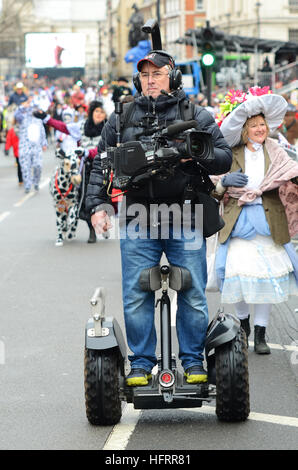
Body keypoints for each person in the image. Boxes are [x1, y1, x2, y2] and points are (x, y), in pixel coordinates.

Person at [85, 50, 232, 386]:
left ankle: (194, 360)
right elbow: (101, 164)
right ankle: (140, 364)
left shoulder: (195, 113)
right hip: (138, 214)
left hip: (185, 212)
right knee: (136, 294)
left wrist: (196, 152)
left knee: (193, 292)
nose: (150, 80)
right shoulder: (121, 117)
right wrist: (97, 206)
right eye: (145, 75)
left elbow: (224, 158)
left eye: (157, 74)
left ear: (173, 76)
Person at [214, 87, 298, 354]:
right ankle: (243, 325)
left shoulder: (276, 149)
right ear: (244, 129)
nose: (260, 129)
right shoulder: (230, 152)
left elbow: (290, 172)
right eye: (254, 125)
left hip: (268, 220)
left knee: (265, 279)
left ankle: (260, 334)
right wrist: (224, 183)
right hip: (236, 222)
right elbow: (212, 184)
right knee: (236, 277)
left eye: (263, 124)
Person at [34, 101, 107, 243]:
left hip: (103, 168)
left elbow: (105, 149)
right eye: (96, 111)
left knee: (101, 199)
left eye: (102, 112)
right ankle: (91, 230)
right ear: (91, 113)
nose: (99, 115)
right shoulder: (81, 126)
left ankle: (101, 222)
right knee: (86, 200)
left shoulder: (108, 128)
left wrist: (88, 152)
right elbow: (63, 127)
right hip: (85, 169)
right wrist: (46, 119)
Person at [14, 95, 47, 193]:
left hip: (36, 147)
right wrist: (24, 106)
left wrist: (44, 143)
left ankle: (36, 182)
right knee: (25, 167)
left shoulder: (38, 120)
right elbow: (16, 115)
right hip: (24, 147)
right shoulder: (22, 118)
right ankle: (27, 184)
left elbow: (42, 131)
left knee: (38, 166)